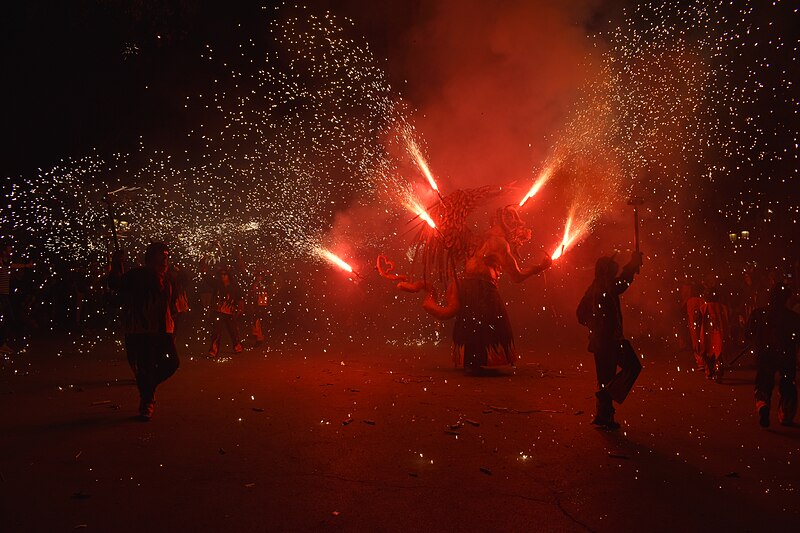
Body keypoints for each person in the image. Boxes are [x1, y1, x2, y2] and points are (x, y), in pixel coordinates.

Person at [421, 206, 552, 374]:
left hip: (469, 285)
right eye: (512, 217)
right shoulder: (499, 243)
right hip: (482, 288)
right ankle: (474, 363)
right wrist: (540, 267)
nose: (517, 222)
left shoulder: (479, 238)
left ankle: (472, 362)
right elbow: (517, 276)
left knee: (474, 324)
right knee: (489, 325)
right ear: (503, 220)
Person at [108, 243, 180, 421]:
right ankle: (147, 401)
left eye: (167, 256)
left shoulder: (167, 278)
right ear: (151, 257)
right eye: (161, 256)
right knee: (145, 366)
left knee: (172, 363)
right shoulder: (137, 275)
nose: (165, 259)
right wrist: (116, 264)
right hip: (141, 330)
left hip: (164, 329)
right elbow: (116, 284)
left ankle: (147, 388)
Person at [576, 251, 644, 429]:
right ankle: (604, 399)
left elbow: (580, 314)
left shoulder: (594, 287)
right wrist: (632, 265)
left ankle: (604, 415)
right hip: (609, 340)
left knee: (606, 378)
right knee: (632, 366)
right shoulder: (605, 287)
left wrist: (593, 325)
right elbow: (622, 283)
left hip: (600, 340)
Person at [745, 284, 800, 428]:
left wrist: (755, 339)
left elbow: (748, 333)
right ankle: (786, 414)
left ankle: (763, 404)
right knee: (788, 383)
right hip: (785, 356)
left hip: (765, 355)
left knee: (764, 382)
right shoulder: (793, 318)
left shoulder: (759, 313)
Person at [0, 239, 34, 354]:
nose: (11, 252)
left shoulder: (7, 262)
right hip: (0, 296)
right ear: (4, 251)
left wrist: (25, 266)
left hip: (4, 295)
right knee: (6, 319)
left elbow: (14, 265)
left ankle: (2, 344)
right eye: (9, 250)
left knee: (9, 319)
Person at [207, 267, 243, 357]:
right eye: (221, 275)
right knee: (216, 332)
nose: (222, 276)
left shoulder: (234, 287)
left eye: (224, 274)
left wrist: (240, 308)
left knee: (233, 331)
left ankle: (237, 347)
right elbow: (208, 279)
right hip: (218, 311)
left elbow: (240, 298)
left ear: (229, 276)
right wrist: (204, 271)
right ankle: (213, 350)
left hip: (229, 312)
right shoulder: (217, 284)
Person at [249, 270, 271, 347]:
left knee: (260, 321)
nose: (259, 277)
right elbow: (253, 293)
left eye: (260, 276)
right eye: (258, 276)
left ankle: (260, 337)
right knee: (256, 320)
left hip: (262, 304)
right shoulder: (255, 284)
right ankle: (257, 335)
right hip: (256, 304)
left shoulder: (264, 285)